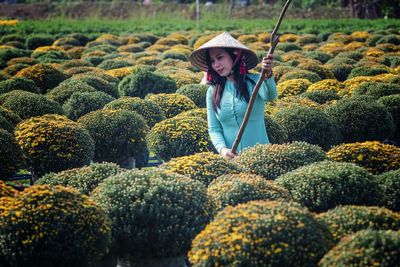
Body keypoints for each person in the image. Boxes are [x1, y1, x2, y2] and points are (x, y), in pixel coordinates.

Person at [189, 32, 277, 159]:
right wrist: (223, 150)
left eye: (220, 57)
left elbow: (271, 95)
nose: (216, 65)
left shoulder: (255, 82)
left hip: (261, 158)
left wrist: (267, 74)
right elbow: (214, 129)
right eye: (212, 61)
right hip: (232, 162)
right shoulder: (212, 91)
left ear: (235, 56)